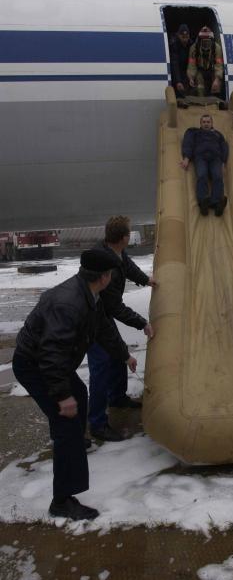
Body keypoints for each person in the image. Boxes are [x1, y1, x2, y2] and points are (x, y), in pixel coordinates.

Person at [12, 249, 137, 521]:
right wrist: (62, 396)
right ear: (103, 277)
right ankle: (62, 501)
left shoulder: (89, 295)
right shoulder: (69, 303)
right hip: (35, 364)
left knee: (79, 394)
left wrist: (124, 355)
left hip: (53, 362)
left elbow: (103, 329)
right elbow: (51, 354)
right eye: (112, 274)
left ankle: (75, 443)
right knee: (66, 419)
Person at [87, 216, 156, 442]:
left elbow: (128, 266)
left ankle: (117, 397)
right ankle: (97, 424)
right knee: (101, 367)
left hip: (103, 314)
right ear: (124, 238)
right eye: (129, 232)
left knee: (118, 353)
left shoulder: (115, 251)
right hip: (91, 319)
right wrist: (143, 323)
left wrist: (146, 280)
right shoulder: (108, 267)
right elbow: (114, 306)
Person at [180, 114, 229, 216]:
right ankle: (203, 201)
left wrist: (224, 162)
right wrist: (186, 158)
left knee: (218, 177)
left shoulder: (218, 134)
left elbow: (224, 147)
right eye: (204, 122)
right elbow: (188, 144)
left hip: (215, 158)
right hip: (200, 157)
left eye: (208, 122)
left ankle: (216, 203)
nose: (206, 124)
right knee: (202, 175)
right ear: (200, 123)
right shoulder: (195, 132)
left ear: (212, 123)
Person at [187, 26, 224, 97]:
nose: (206, 44)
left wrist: (217, 79)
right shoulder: (194, 48)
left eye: (208, 42)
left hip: (212, 70)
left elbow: (218, 65)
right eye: (204, 42)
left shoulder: (217, 48)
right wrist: (191, 78)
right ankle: (201, 102)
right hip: (200, 70)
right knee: (199, 86)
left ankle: (215, 103)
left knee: (217, 85)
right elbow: (191, 65)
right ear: (199, 41)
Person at [169, 23, 193, 100]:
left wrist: (191, 77)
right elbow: (174, 63)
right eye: (183, 37)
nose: (185, 39)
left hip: (186, 71)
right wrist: (178, 81)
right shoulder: (174, 45)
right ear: (178, 35)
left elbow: (192, 63)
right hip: (176, 72)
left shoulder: (191, 45)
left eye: (187, 37)